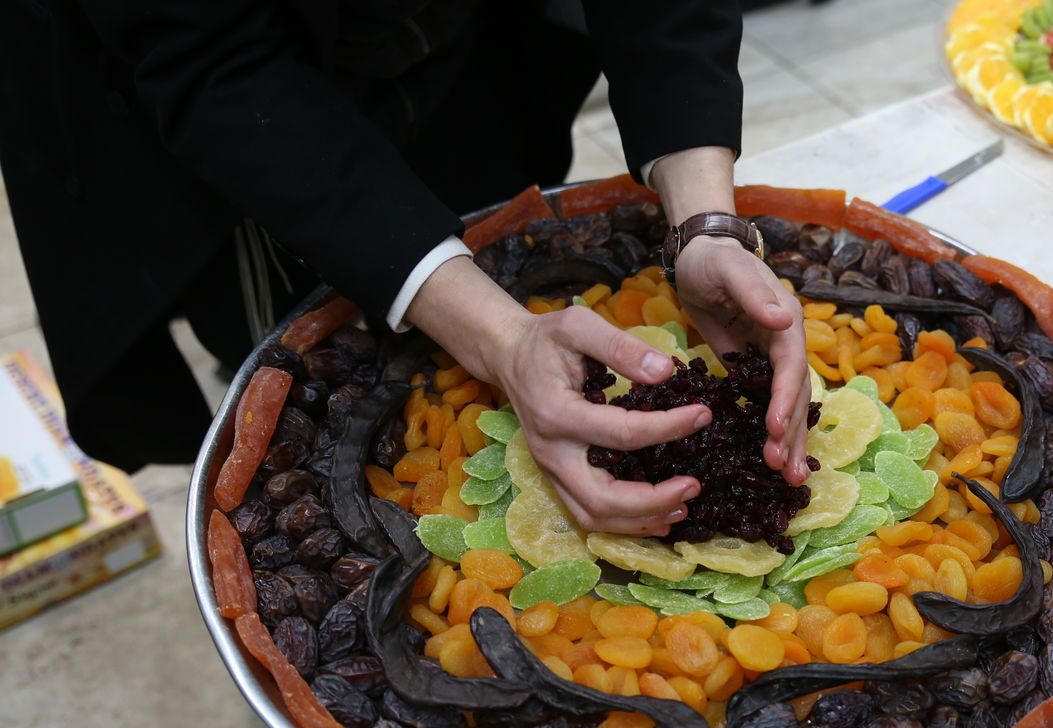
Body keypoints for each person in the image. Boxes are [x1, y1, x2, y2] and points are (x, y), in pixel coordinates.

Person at [0, 0, 810, 537]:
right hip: (254, 97)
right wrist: (500, 340)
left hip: (462, 42)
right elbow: (218, 69)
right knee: (315, 386)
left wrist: (705, 227)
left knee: (491, 191)